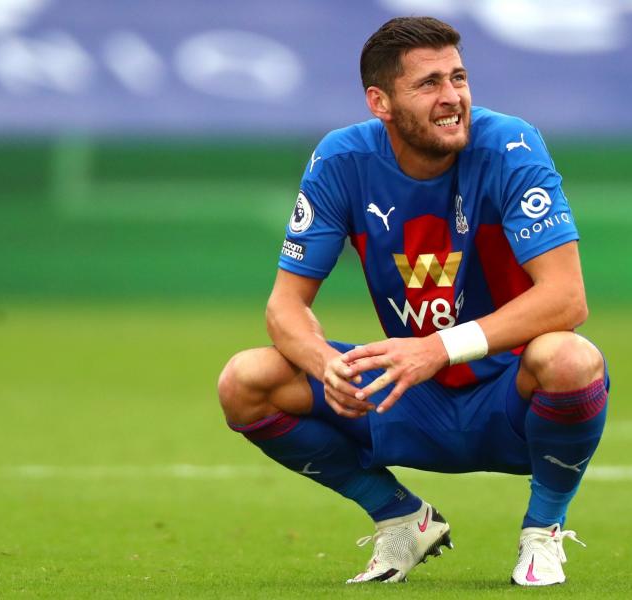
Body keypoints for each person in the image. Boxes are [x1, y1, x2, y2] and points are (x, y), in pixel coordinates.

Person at [217, 16, 609, 586]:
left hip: (506, 391)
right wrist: (326, 367)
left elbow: (567, 298)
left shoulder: (510, 145)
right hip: (408, 389)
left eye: (459, 78)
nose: (452, 98)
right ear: (381, 101)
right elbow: (284, 307)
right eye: (429, 84)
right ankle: (399, 516)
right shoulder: (341, 160)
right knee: (244, 380)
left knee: (572, 358)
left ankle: (542, 533)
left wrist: (436, 349)